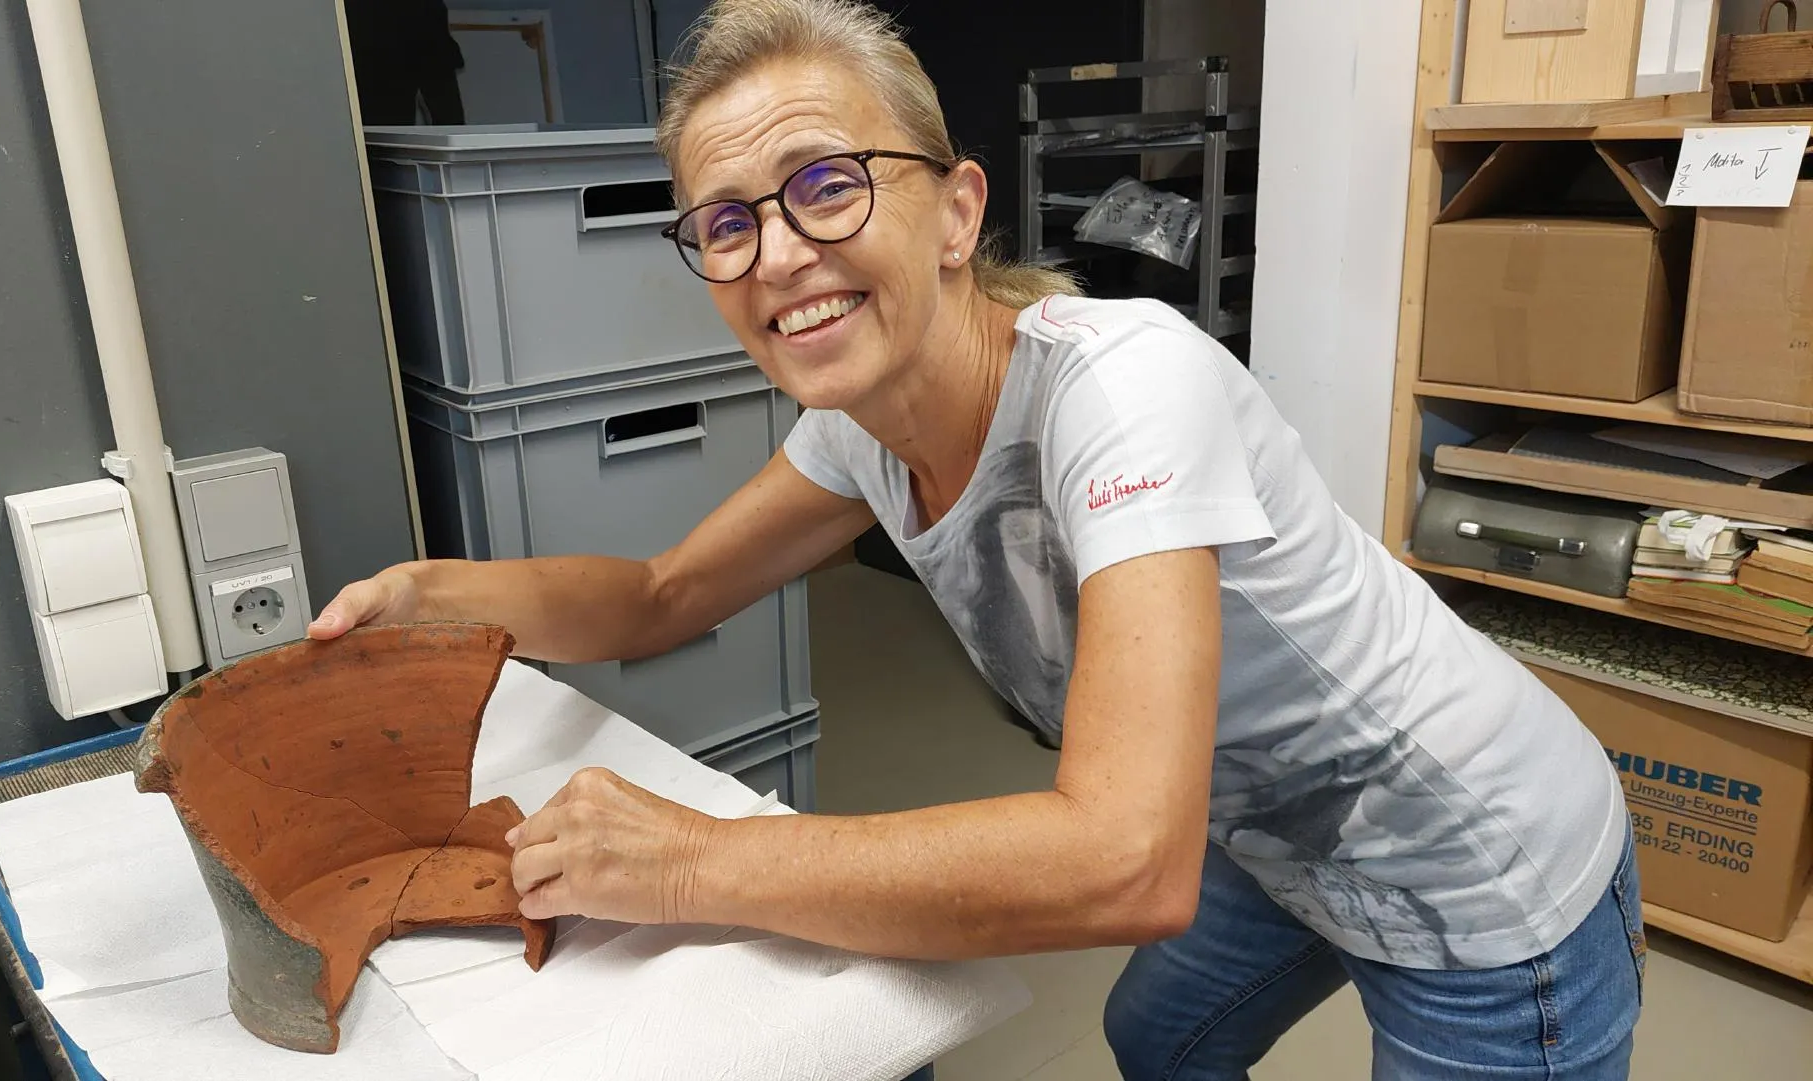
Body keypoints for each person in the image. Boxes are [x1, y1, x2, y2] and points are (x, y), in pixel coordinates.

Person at [309, 1, 1645, 1075]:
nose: (777, 254)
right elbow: (662, 595)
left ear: (956, 213)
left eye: (825, 185)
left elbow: (1126, 858)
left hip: (1475, 861)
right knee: (1160, 1041)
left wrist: (695, 861)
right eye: (725, 222)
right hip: (1274, 831)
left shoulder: (1122, 388)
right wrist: (431, 594)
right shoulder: (858, 434)